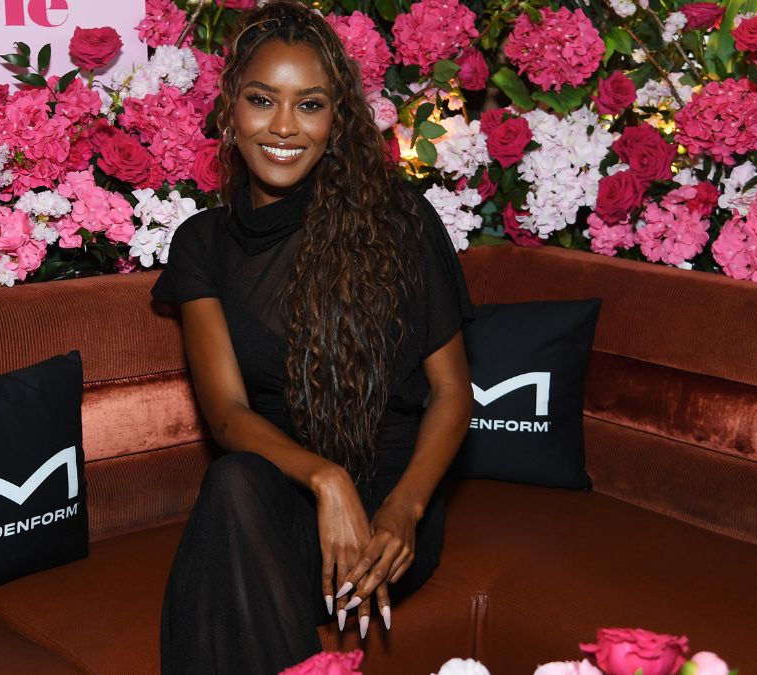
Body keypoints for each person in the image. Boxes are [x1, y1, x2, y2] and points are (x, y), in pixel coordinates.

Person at [151, 2, 473, 673]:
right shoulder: (202, 244)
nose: (283, 126)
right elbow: (225, 413)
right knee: (234, 483)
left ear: (336, 120)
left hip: (390, 514)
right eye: (262, 99)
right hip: (280, 502)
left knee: (227, 543)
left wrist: (405, 510)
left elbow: (451, 392)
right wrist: (326, 479)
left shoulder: (401, 221)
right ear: (230, 109)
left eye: (310, 105)